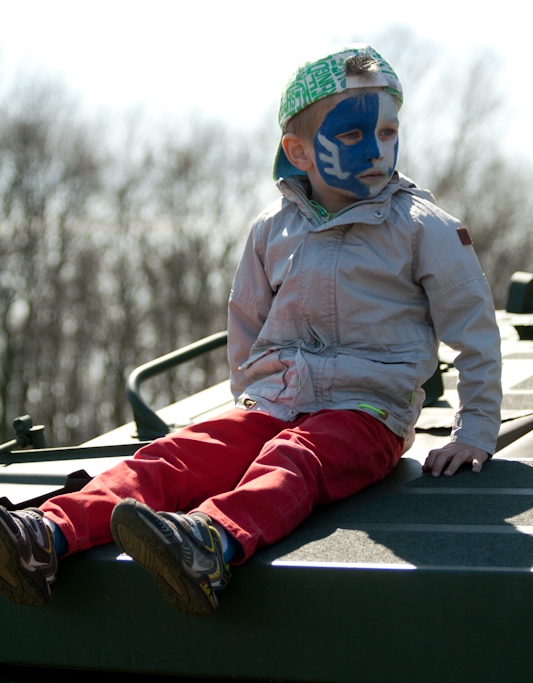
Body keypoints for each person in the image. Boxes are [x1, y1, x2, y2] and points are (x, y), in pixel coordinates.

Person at [0, 44, 502, 618]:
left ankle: (210, 544)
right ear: (299, 151)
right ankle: (45, 535)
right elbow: (246, 321)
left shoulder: (421, 228)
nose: (376, 151)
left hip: (368, 413)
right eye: (352, 136)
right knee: (177, 455)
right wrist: (250, 401)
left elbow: (474, 330)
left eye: (388, 132)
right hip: (278, 398)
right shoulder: (272, 230)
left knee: (294, 457)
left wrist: (476, 431)